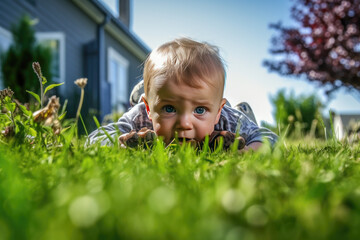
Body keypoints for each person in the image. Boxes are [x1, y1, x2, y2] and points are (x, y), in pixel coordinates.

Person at [87, 37, 277, 151]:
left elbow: (272, 140)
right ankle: (141, 93)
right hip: (147, 103)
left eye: (200, 110)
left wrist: (245, 152)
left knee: (246, 126)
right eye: (169, 108)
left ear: (217, 112)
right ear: (149, 109)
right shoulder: (141, 116)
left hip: (232, 118)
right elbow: (95, 138)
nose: (184, 124)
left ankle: (243, 111)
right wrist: (121, 146)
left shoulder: (226, 118)